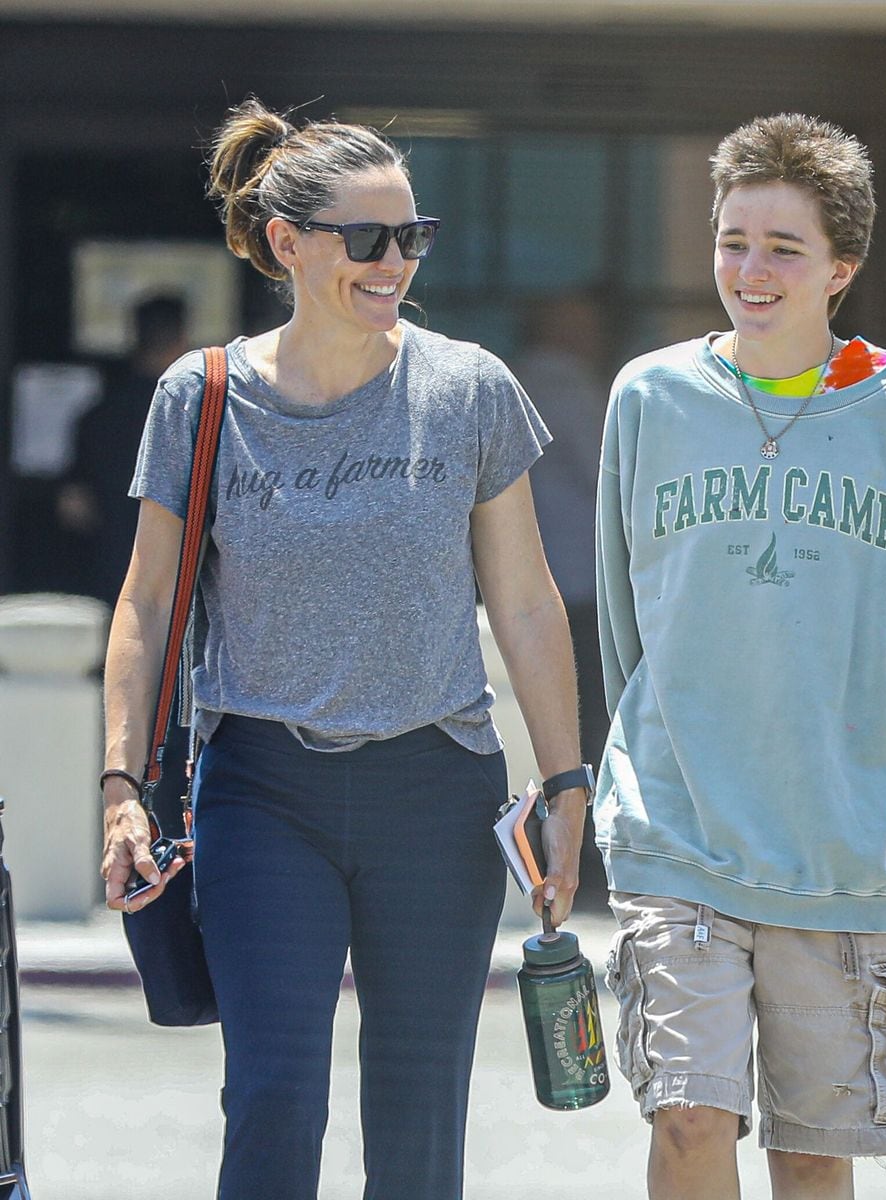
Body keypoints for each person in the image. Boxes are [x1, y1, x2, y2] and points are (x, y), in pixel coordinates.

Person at [98, 97, 591, 1200]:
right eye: (366, 239)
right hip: (262, 789)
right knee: (274, 1099)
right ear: (287, 243)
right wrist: (122, 782)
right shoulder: (204, 395)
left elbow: (523, 602)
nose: (394, 264)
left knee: (419, 1117)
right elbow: (144, 601)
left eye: (410, 239)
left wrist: (566, 784)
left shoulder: (466, 389)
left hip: (437, 787)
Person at [595, 112, 886, 1200]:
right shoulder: (647, 397)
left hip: (845, 842)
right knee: (688, 1121)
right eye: (730, 240)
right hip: (679, 825)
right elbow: (626, 615)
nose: (747, 271)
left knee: (811, 1156)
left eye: (781, 248)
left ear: (839, 267)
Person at [512, 290, 610, 905]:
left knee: (546, 727)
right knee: (588, 729)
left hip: (527, 584)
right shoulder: (566, 386)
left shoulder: (516, 382)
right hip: (578, 588)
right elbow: (612, 472)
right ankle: (588, 863)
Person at [57, 294, 190, 606]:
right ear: (183, 340)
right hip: (179, 567)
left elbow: (74, 507)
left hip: (111, 567)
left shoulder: (96, 415)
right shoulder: (193, 413)